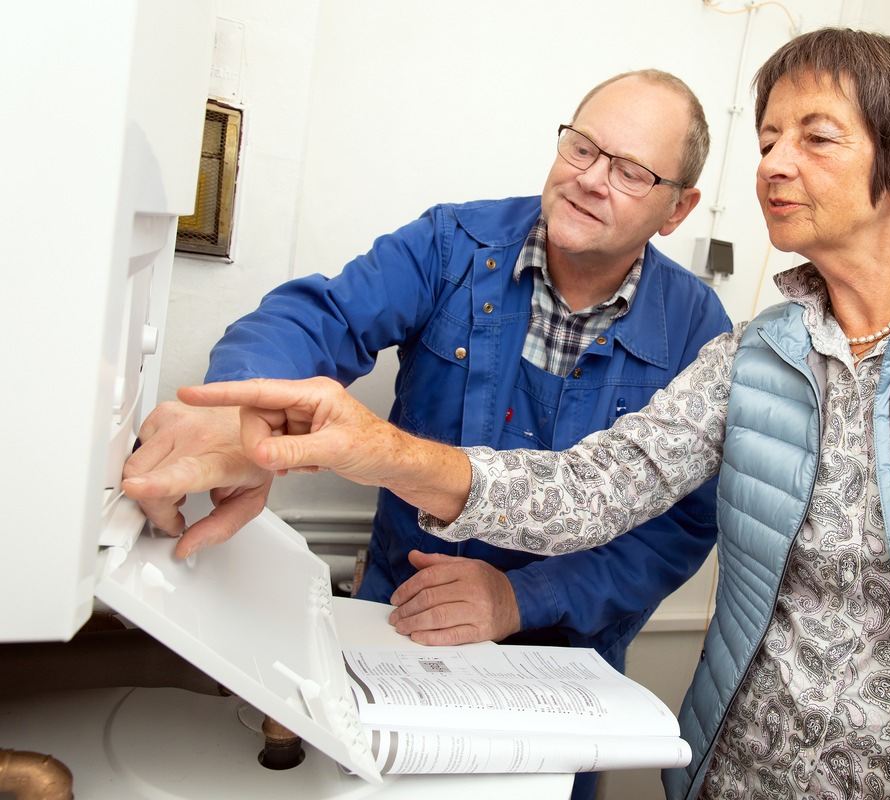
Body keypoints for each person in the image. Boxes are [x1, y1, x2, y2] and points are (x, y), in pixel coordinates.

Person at [135, 28, 890, 800]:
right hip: (721, 770)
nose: (772, 164)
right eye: (767, 139)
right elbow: (586, 488)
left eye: (813, 137)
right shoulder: (753, 351)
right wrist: (319, 436)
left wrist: (516, 595)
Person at [123, 68, 730, 797]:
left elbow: (678, 530)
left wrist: (518, 600)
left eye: (631, 171)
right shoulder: (452, 244)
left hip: (560, 672)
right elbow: (323, 317)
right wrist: (238, 407)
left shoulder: (699, 331)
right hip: (395, 630)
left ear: (677, 208)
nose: (591, 180)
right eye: (582, 147)